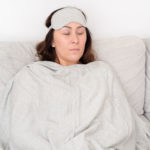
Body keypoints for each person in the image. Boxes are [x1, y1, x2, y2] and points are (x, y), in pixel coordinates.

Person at [0, 6, 150, 150]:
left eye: (80, 32)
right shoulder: (32, 75)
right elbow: (20, 130)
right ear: (52, 41)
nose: (75, 40)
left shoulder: (102, 72)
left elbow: (122, 123)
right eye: (66, 33)